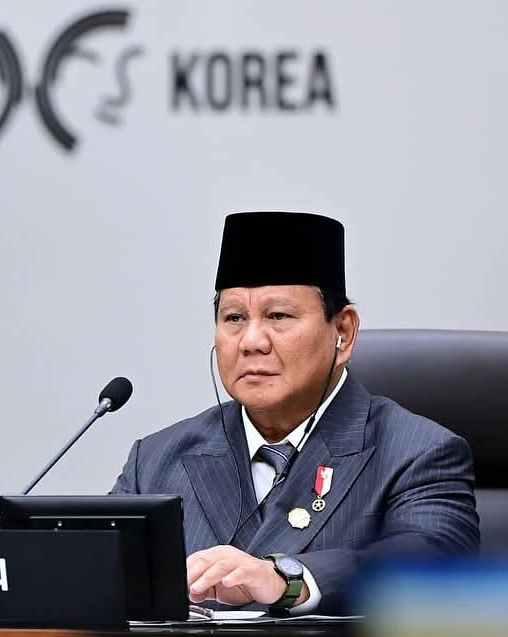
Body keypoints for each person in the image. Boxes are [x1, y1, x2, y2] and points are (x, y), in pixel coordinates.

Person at [111, 211, 480, 614]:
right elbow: (98, 578)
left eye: (278, 316)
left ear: (344, 332)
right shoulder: (156, 459)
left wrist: (288, 579)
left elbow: (435, 560)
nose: (251, 341)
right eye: (234, 318)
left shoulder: (417, 452)